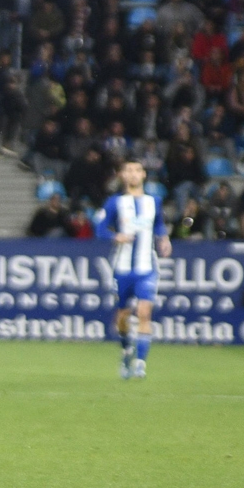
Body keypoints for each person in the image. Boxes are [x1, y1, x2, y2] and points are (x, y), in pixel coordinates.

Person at [94, 158, 172, 380]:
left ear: (144, 175)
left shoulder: (153, 201)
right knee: (122, 317)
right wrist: (115, 236)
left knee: (145, 312)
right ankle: (126, 347)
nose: (134, 174)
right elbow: (99, 228)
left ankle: (140, 363)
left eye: (138, 170)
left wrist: (164, 238)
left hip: (147, 267)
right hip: (122, 267)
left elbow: (158, 223)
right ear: (122, 175)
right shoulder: (114, 202)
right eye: (129, 170)